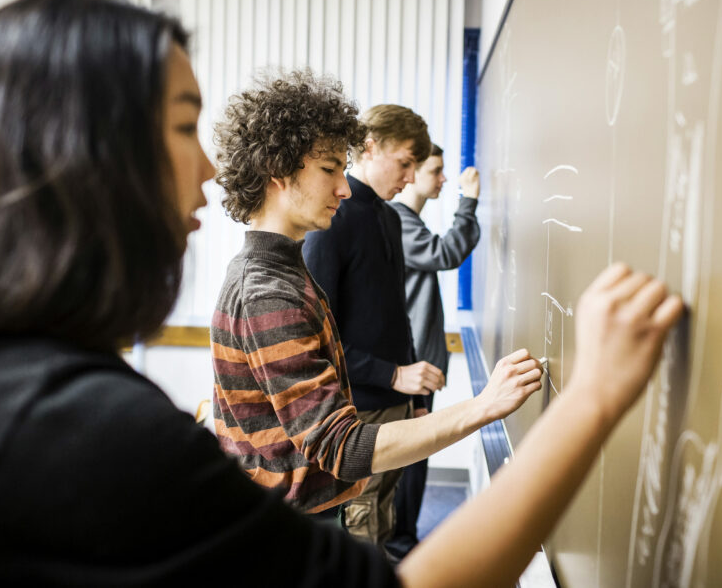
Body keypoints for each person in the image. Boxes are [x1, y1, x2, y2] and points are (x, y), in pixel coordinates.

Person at [0, 0, 684, 588]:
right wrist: (592, 400)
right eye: (184, 127)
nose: (211, 168)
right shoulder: (77, 423)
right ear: (90, 154)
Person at [209, 74, 540, 525]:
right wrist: (484, 406)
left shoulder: (283, 268)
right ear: (277, 171)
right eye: (329, 170)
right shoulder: (266, 293)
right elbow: (340, 447)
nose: (344, 189)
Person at [300, 103, 452, 548]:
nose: (409, 177)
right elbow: (318, 334)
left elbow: (395, 317)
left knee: (383, 524)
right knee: (360, 532)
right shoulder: (333, 219)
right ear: (369, 147)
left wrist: (414, 398)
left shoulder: (388, 217)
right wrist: (392, 375)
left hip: (396, 405)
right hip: (357, 413)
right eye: (405, 163)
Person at [386, 146, 481, 558]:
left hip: (419, 359)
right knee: (411, 457)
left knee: (415, 456)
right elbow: (445, 254)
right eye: (435, 171)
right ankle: (400, 545)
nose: (443, 180)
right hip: (411, 364)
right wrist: (469, 201)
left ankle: (402, 541)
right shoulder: (399, 221)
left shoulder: (406, 221)